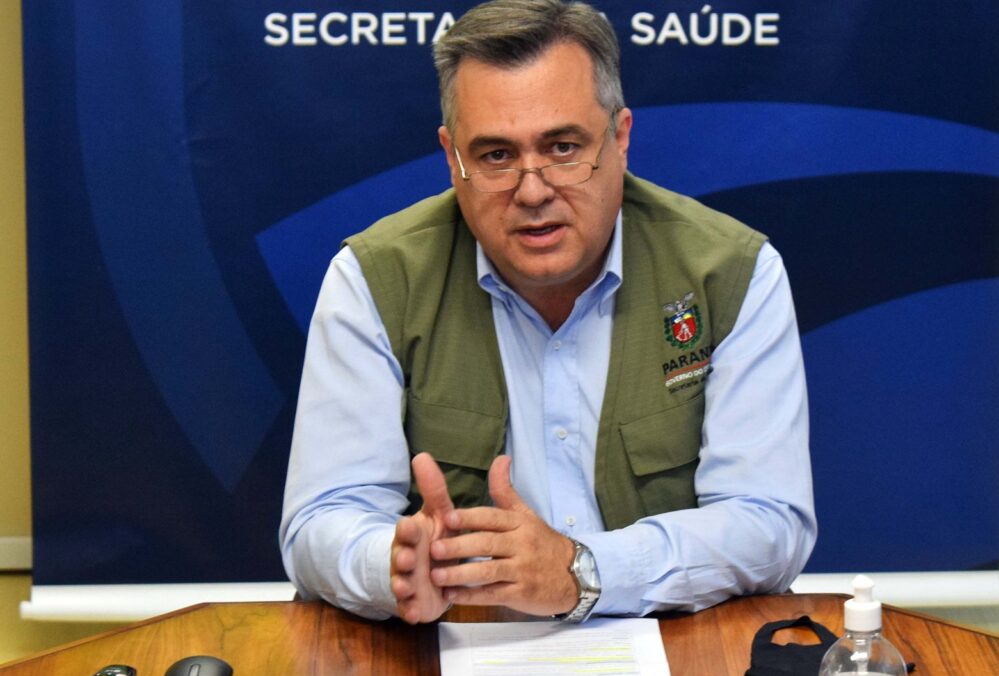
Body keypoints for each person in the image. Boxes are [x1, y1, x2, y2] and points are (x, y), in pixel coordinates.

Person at [279, 0, 816, 625]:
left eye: (563, 148)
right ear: (453, 158)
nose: (532, 191)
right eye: (496, 156)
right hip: (452, 645)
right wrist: (390, 566)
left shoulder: (731, 270)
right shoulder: (374, 278)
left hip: (664, 643)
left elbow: (768, 522)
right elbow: (320, 520)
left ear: (620, 138)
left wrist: (581, 571)